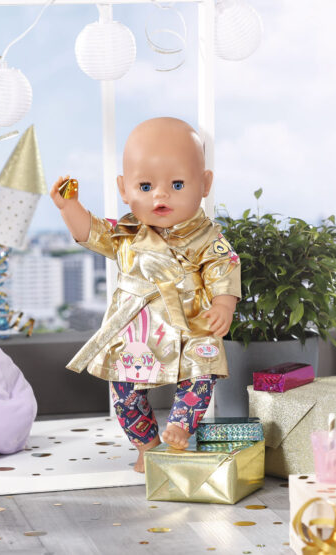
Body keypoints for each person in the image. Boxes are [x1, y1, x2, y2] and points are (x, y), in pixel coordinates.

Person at [50, 117, 241, 472]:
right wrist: (70, 207)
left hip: (190, 323)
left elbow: (224, 268)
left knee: (202, 375)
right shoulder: (126, 234)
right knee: (124, 391)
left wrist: (223, 303)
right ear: (124, 189)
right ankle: (147, 446)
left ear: (205, 184)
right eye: (145, 185)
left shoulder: (207, 238)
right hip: (136, 327)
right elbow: (91, 231)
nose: (160, 195)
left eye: (177, 184)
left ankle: (180, 427)